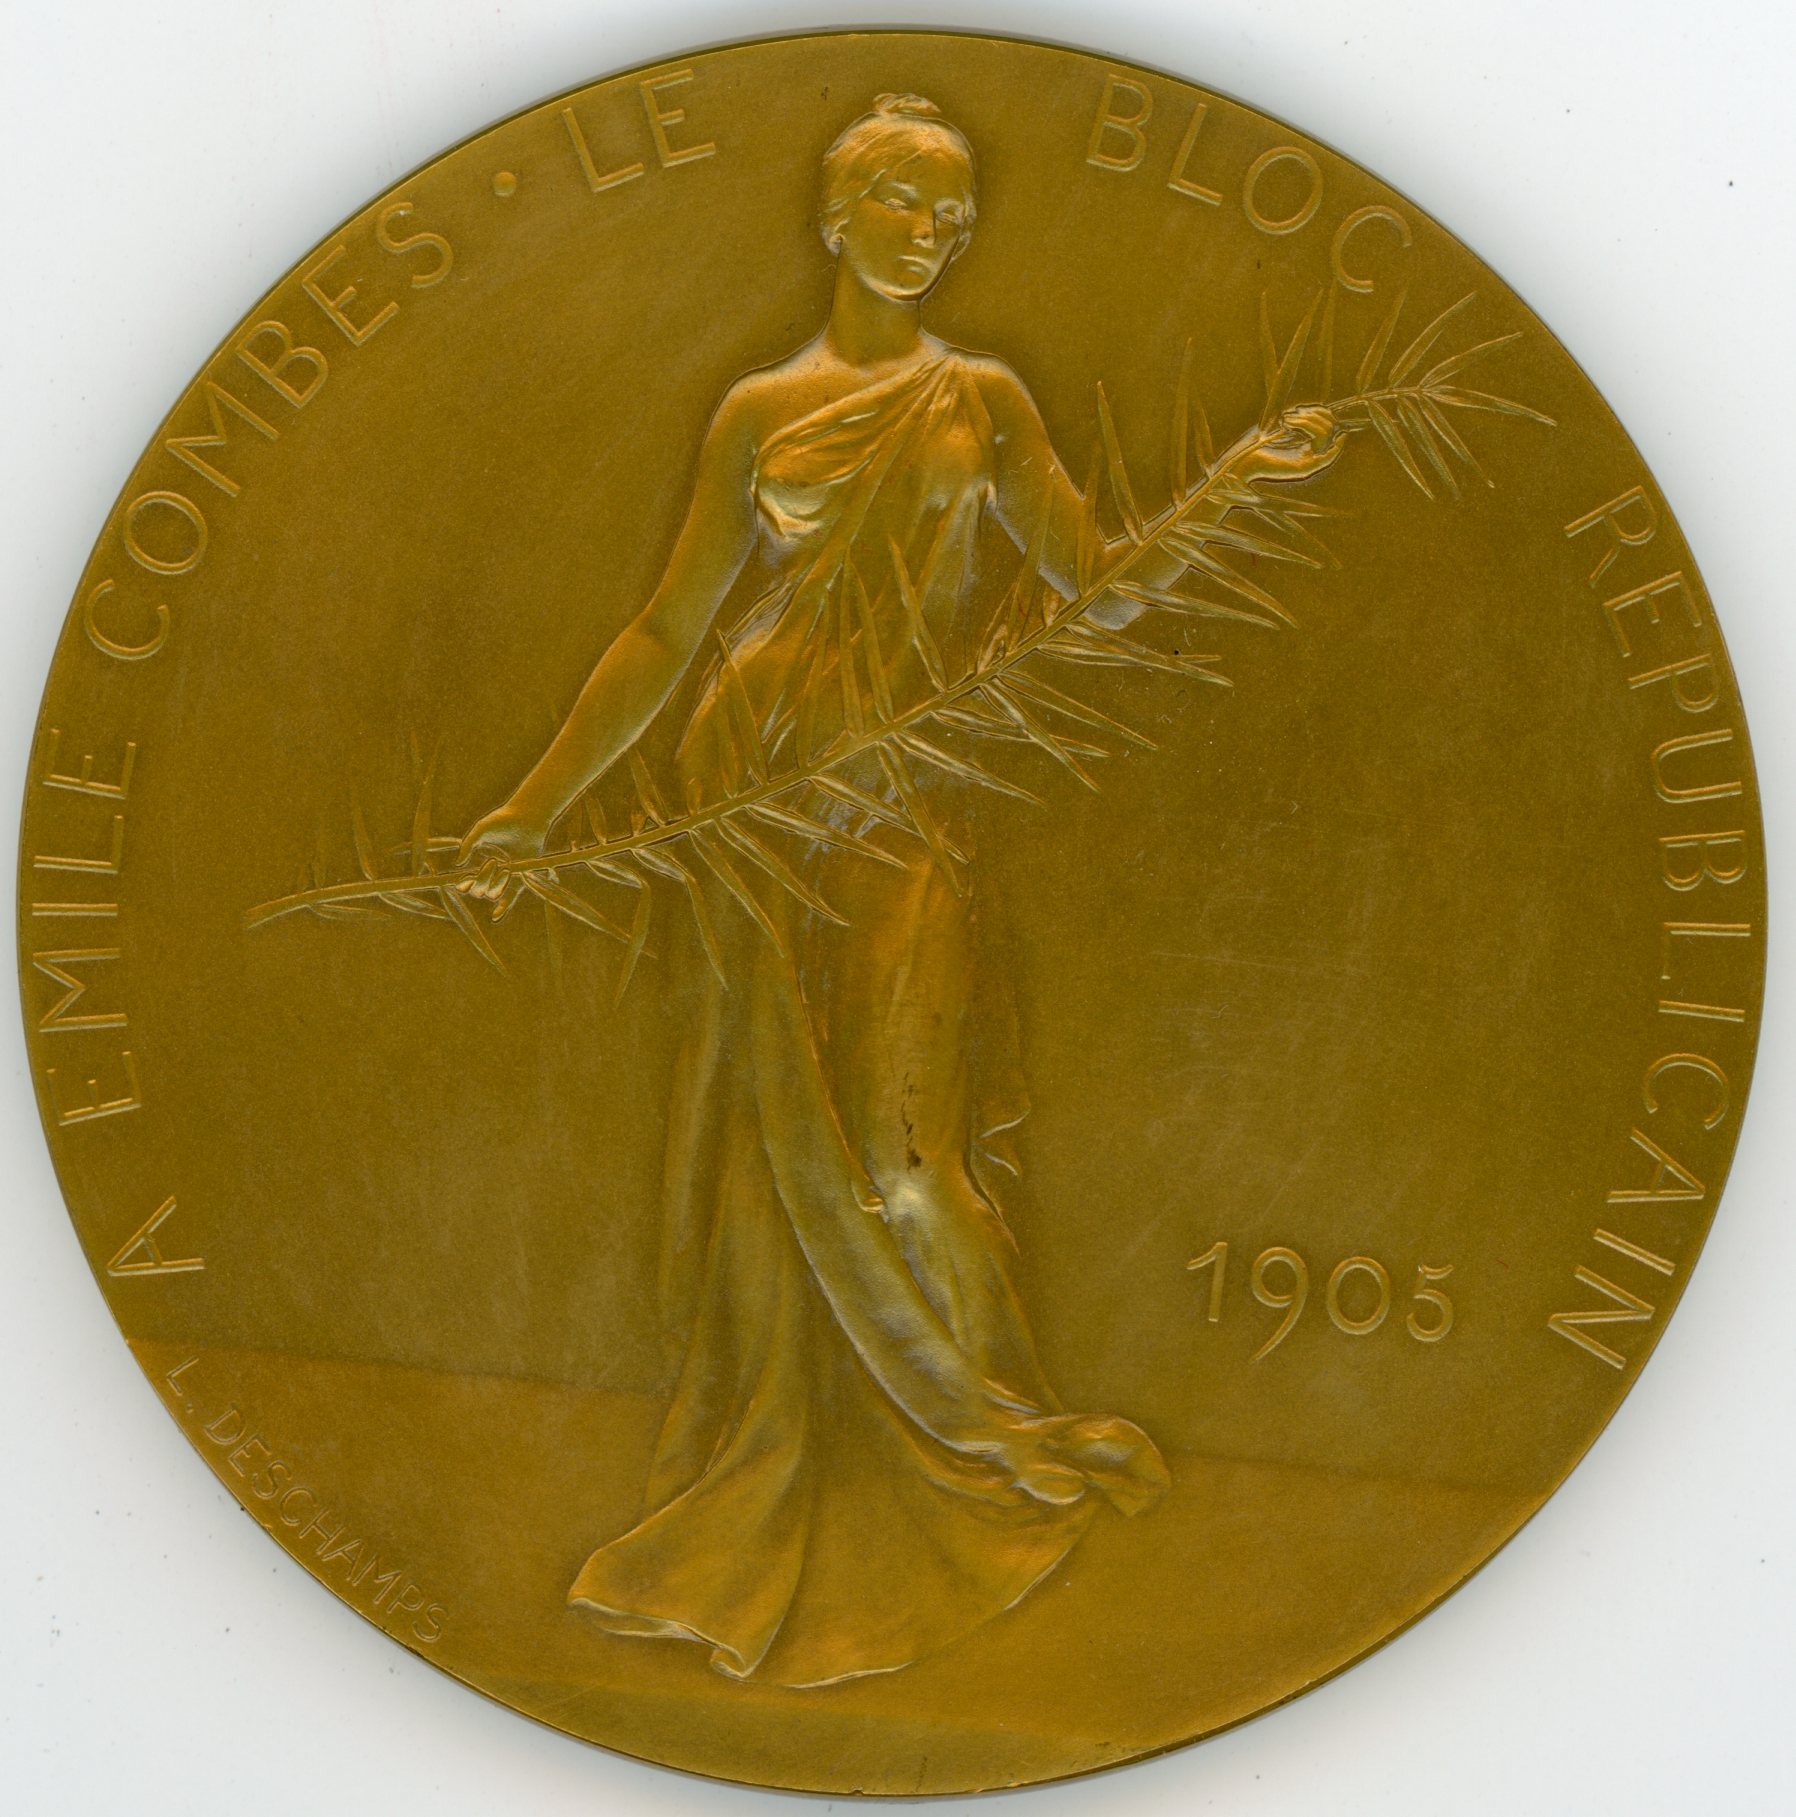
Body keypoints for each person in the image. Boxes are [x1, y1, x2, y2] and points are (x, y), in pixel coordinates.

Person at [457, 93, 1334, 1686]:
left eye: (956, 210)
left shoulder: (980, 399)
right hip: (751, 791)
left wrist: (1235, 488)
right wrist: (531, 810)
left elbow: (1089, 589)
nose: (935, 230)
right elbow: (669, 629)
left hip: (897, 795)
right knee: (767, 1139)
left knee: (907, 1151)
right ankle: (793, 1459)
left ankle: (978, 1440)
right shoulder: (757, 410)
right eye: (908, 200)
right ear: (836, 213)